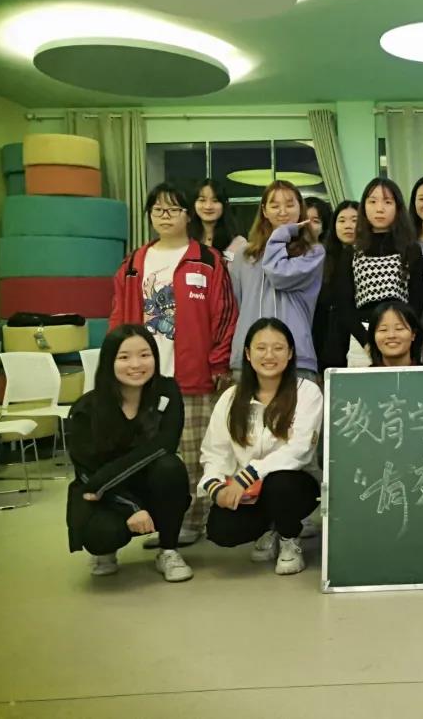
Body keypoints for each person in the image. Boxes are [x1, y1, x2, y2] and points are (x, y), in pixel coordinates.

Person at [110, 182, 237, 546]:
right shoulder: (133, 263)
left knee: (196, 455)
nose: (165, 216)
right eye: (158, 210)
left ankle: (195, 522)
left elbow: (225, 315)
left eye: (173, 209)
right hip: (142, 380)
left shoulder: (208, 260)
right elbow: (118, 316)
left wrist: (217, 363)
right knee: (150, 456)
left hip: (193, 377)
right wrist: (116, 364)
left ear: (187, 215)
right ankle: (161, 522)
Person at [66, 325, 193, 582]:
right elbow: (87, 474)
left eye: (145, 355)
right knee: (101, 535)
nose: (136, 364)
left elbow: (165, 445)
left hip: (136, 485)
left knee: (170, 467)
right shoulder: (86, 409)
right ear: (109, 361)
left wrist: (105, 479)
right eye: (124, 357)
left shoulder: (167, 391)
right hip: (106, 495)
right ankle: (106, 551)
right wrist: (130, 507)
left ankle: (168, 550)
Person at [200, 318, 323, 575]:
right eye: (261, 348)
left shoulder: (307, 392)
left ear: (290, 353)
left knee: (280, 484)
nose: (269, 355)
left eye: (278, 348)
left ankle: (289, 538)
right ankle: (271, 528)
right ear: (247, 353)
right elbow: (215, 452)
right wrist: (216, 487)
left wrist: (249, 475)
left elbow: (299, 451)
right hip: (250, 492)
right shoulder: (231, 398)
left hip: (296, 484)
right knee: (220, 530)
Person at [228, 180, 324, 380]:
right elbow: (238, 302)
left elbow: (279, 275)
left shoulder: (313, 252)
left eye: (289, 205)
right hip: (249, 355)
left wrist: (281, 235)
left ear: (300, 208)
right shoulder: (244, 255)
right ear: (264, 211)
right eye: (274, 205)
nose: (282, 211)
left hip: (296, 355)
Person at [344, 178, 423, 368]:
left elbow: (418, 299)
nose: (379, 209)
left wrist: (406, 333)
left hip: (401, 334)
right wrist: (367, 341)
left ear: (397, 207)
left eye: (387, 202)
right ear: (364, 207)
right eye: (372, 201)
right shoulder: (351, 250)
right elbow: (344, 303)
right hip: (362, 336)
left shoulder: (410, 249)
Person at [312, 200, 359, 373]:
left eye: (355, 220)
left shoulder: (369, 258)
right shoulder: (321, 258)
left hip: (358, 336)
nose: (348, 226)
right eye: (342, 220)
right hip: (327, 338)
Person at [189, 178, 247, 262]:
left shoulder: (238, 243)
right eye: (202, 200)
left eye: (215, 201)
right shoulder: (185, 240)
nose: (208, 206)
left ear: (224, 205)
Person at [368, 301, 423, 368]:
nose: (391, 335)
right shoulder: (364, 374)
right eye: (383, 329)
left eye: (399, 328)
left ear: (413, 334)